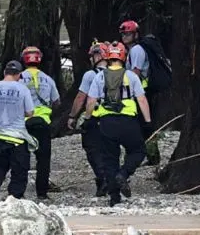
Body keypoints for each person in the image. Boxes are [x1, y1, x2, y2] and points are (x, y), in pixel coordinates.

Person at [83, 41, 152, 207]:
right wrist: (148, 121)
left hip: (107, 123)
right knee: (138, 150)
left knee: (109, 160)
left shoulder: (99, 76)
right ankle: (124, 173)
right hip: (128, 122)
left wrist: (87, 119)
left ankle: (114, 198)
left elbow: (91, 101)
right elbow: (142, 99)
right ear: (123, 57)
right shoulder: (132, 76)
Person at [0, 60, 38, 204]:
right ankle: (14, 198)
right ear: (18, 74)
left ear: (4, 72)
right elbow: (30, 112)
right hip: (16, 138)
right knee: (19, 170)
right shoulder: (22, 89)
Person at [68, 41, 109, 197]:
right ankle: (113, 179)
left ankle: (102, 178)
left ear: (98, 56)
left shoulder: (91, 75)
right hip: (115, 119)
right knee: (110, 151)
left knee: (92, 150)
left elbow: (81, 98)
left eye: (92, 56)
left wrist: (73, 116)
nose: (91, 59)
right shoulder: (120, 74)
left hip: (95, 118)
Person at [18, 46, 60, 200]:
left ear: (23, 59)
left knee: (21, 158)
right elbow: (56, 102)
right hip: (43, 122)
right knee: (43, 159)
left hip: (24, 123)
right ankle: (42, 193)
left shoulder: (19, 78)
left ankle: (18, 191)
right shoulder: (48, 79)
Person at [119, 20, 159, 165]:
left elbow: (135, 73)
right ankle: (151, 155)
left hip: (141, 92)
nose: (124, 36)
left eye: (128, 34)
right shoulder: (134, 50)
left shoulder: (136, 50)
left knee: (143, 124)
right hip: (141, 92)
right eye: (123, 34)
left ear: (135, 34)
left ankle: (147, 155)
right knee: (145, 124)